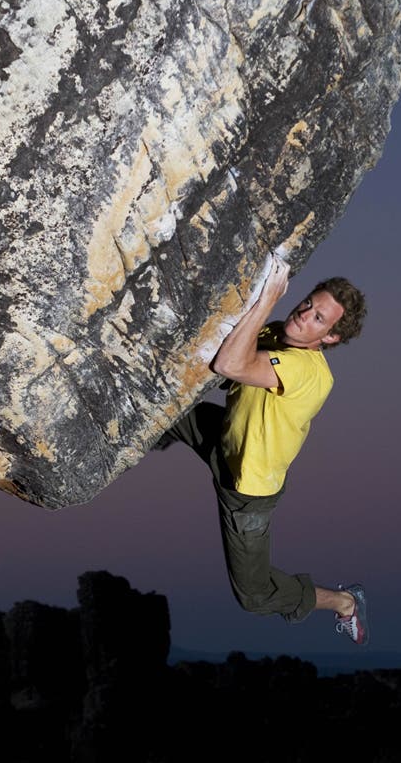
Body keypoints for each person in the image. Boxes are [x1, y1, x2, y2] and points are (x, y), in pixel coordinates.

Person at [158, 253, 369, 644]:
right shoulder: (276, 334)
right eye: (308, 303)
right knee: (158, 411)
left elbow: (230, 365)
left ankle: (342, 601)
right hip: (223, 438)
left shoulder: (308, 372)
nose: (304, 314)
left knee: (253, 595)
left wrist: (266, 298)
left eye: (318, 319)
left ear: (330, 338)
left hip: (247, 492)